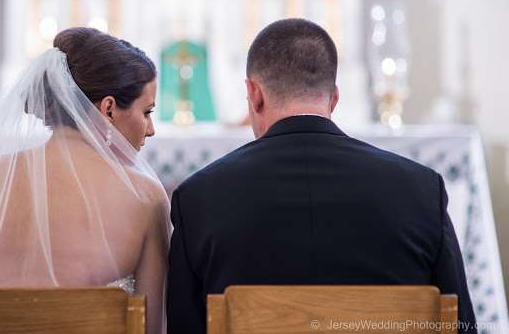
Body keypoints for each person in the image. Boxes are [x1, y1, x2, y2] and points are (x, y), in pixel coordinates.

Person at [166, 18, 476, 333]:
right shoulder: (422, 191)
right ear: (334, 98)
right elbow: (460, 324)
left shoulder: (198, 200)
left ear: (254, 95)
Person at [0, 28, 170, 334]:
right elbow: (152, 327)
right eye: (146, 112)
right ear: (108, 108)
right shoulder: (144, 197)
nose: (150, 129)